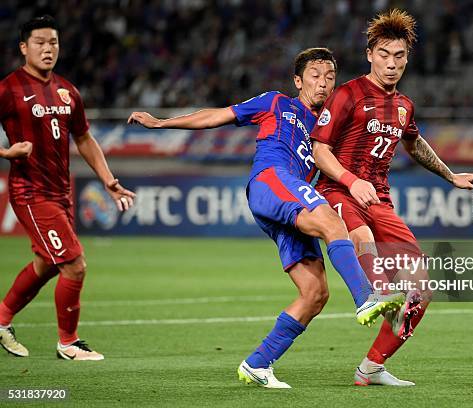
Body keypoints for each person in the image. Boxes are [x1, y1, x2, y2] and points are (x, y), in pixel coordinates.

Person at [128, 47, 403, 389]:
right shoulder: (276, 103)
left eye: (330, 78)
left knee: (315, 293)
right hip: (272, 180)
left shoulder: (329, 125)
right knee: (333, 222)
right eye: (316, 77)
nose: (324, 84)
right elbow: (219, 114)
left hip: (291, 203)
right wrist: (163, 122)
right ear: (298, 80)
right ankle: (366, 297)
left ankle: (258, 364)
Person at [311, 9, 473, 386]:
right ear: (370, 54)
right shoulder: (348, 94)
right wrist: (348, 179)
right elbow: (319, 149)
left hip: (379, 201)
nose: (392, 64)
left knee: (422, 288)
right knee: (362, 239)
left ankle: (371, 367)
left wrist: (449, 174)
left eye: (399, 56)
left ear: (407, 58)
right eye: (385, 55)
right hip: (338, 190)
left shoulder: (404, 105)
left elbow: (414, 141)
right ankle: (376, 292)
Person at [0, 15, 135, 361]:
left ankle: (0, 320)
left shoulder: (67, 91)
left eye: (53, 43)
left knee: (47, 264)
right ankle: (68, 343)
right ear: (23, 48)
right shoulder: (9, 88)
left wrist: (108, 180)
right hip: (31, 192)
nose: (47, 49)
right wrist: (6, 152)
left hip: (62, 193)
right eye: (39, 42)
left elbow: (85, 138)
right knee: (74, 265)